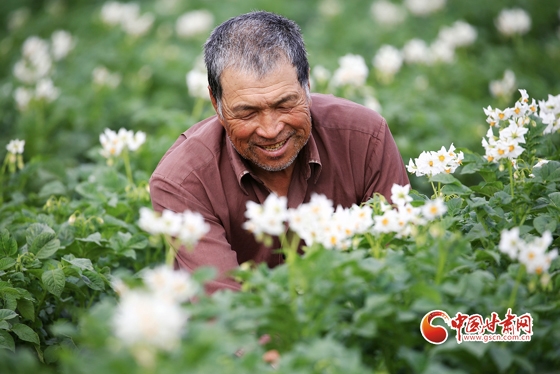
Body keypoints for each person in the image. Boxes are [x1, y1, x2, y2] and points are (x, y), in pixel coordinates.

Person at [149, 11, 409, 293]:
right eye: (247, 112)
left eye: (285, 105)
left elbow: (399, 261)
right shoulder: (182, 181)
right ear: (215, 103)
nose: (271, 130)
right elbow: (225, 310)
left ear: (306, 84)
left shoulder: (363, 138)